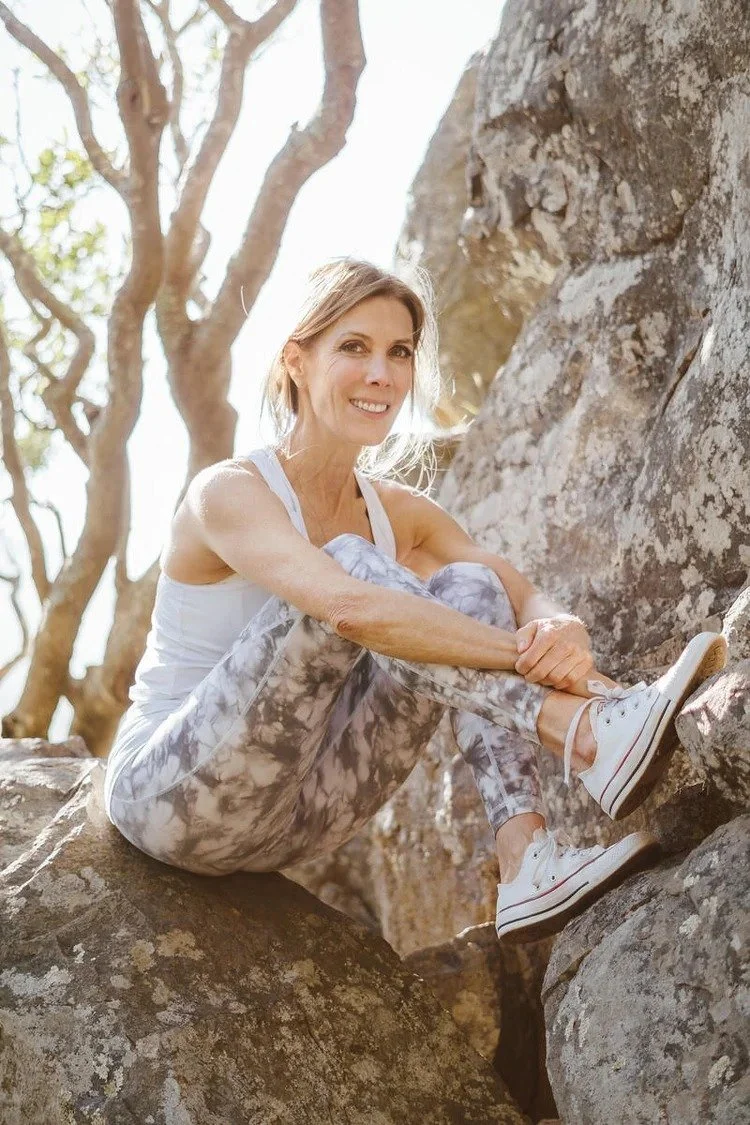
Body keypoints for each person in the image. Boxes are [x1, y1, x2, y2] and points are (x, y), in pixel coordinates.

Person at [103, 257, 727, 944]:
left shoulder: (400, 511)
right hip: (175, 798)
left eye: (399, 352)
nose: (383, 374)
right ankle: (586, 731)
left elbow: (516, 591)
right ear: (297, 361)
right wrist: (537, 674)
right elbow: (346, 606)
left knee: (472, 587)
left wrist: (561, 628)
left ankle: (526, 859)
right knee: (348, 566)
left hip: (302, 817)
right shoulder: (227, 493)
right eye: (353, 347)